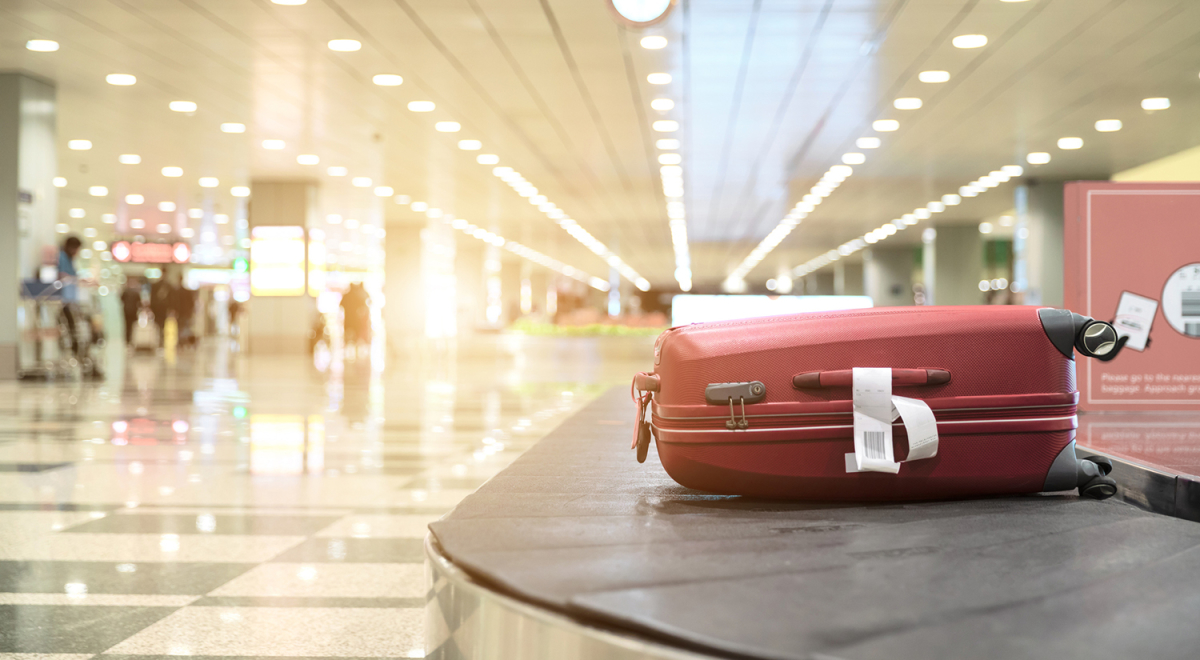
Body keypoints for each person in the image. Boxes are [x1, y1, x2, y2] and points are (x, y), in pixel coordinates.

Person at [57, 237, 83, 357]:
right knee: (69, 327)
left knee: (73, 327)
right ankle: (72, 353)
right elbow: (62, 275)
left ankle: (75, 353)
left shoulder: (70, 259)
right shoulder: (61, 257)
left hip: (70, 301)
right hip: (63, 301)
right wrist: (76, 279)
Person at [340, 283, 371, 351]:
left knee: (348, 334)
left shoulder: (346, 295)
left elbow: (340, 305)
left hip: (348, 319)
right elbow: (362, 306)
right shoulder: (357, 296)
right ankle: (355, 349)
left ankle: (347, 349)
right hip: (355, 319)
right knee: (355, 335)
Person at [149, 271, 176, 346]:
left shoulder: (167, 286)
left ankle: (161, 340)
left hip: (163, 309)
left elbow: (172, 299)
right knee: (158, 325)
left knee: (163, 325)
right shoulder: (160, 285)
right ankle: (159, 340)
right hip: (158, 309)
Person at [121, 278, 142, 346]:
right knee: (132, 326)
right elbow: (139, 303)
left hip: (126, 311)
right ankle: (131, 339)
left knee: (127, 325)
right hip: (133, 311)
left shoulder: (126, 291)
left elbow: (121, 299)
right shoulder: (135, 292)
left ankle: (127, 339)